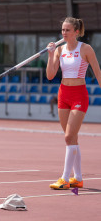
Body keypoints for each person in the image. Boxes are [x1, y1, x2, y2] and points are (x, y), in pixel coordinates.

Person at [47, 17, 101, 190]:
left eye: (67, 30)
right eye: (62, 30)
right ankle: (77, 178)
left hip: (79, 95)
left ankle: (65, 178)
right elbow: (50, 75)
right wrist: (50, 54)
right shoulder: (59, 50)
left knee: (69, 137)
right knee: (72, 139)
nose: (64, 33)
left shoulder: (85, 48)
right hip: (63, 94)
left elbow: (98, 73)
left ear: (76, 32)